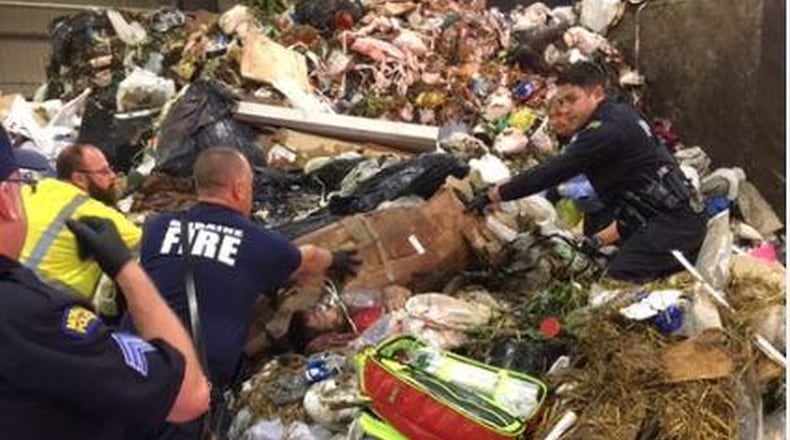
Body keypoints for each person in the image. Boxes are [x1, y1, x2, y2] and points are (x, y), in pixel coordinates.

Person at [123, 146, 361, 438]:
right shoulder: (260, 243)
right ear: (238, 189)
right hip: (185, 390)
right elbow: (307, 258)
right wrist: (336, 258)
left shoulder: (157, 228)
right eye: (250, 185)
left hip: (126, 363)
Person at [0, 124, 210, 439]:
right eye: (104, 172)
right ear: (6, 200)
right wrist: (125, 268)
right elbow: (189, 396)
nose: (113, 177)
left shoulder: (42, 192)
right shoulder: (31, 316)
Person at [471, 62, 706, 282]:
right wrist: (597, 241)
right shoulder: (622, 113)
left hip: (675, 223)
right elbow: (641, 199)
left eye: (572, 99)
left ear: (596, 93)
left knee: (614, 281)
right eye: (561, 101)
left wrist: (494, 194)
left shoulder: (603, 132)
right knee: (603, 260)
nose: (566, 109)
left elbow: (551, 172)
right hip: (674, 213)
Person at [19, 143, 141, 300]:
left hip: (10, 289)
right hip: (49, 305)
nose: (112, 176)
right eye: (103, 172)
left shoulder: (35, 189)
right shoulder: (90, 210)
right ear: (79, 179)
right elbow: (144, 242)